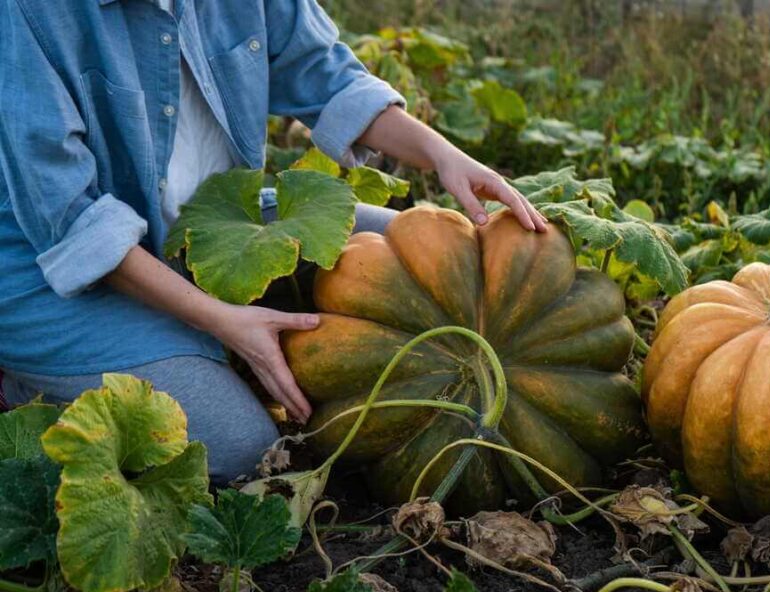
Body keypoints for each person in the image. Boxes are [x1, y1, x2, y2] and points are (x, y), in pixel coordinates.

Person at [0, 0, 546, 484]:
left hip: (210, 229)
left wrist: (445, 155)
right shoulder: (28, 12)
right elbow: (74, 218)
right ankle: (30, 388)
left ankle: (204, 340)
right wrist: (220, 320)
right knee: (243, 448)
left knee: (423, 252)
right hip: (59, 276)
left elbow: (322, 72)